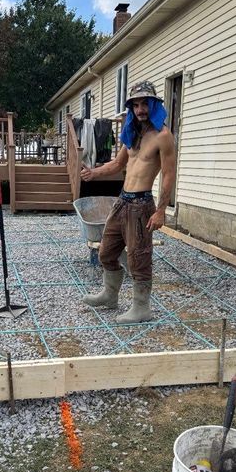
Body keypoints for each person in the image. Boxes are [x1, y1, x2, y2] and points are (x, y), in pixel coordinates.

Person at [80, 80, 177, 322]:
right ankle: (110, 295)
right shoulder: (132, 133)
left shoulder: (163, 136)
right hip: (122, 202)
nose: (140, 109)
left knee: (138, 258)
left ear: (154, 105)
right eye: (136, 105)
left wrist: (161, 211)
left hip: (142, 205)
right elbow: (118, 164)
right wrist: (94, 173)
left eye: (145, 104)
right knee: (106, 252)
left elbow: (169, 175)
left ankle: (142, 308)